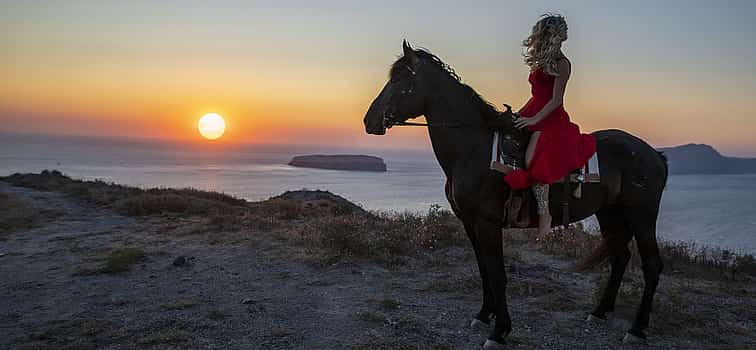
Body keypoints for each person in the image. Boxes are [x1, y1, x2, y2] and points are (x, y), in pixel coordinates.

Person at [502, 14, 596, 240]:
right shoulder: (540, 62)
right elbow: (536, 95)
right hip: (534, 109)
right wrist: (520, 113)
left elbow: (556, 100)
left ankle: (545, 215)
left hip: (552, 119)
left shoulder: (563, 64)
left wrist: (534, 121)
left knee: (534, 160)